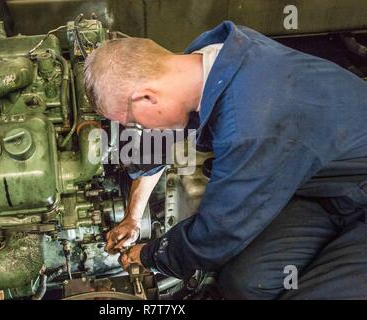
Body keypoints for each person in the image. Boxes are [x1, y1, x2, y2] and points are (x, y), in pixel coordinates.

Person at [84, 21, 367, 299]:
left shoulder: (249, 125)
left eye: (135, 123)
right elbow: (165, 138)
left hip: (355, 194)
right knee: (244, 284)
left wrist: (148, 255)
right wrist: (133, 217)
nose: (142, 131)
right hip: (329, 191)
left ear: (147, 96)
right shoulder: (203, 61)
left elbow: (216, 235)